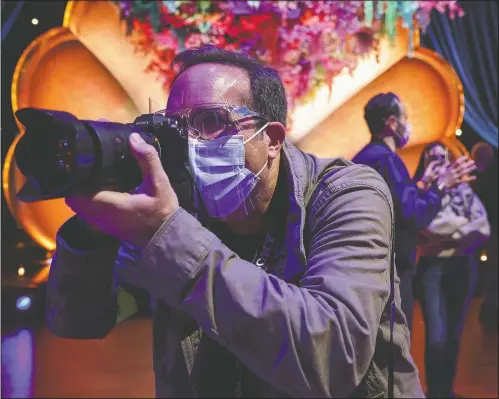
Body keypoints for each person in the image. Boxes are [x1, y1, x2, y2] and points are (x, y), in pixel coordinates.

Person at [46, 46, 425, 398]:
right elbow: (79, 321)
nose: (190, 144)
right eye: (175, 128)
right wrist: (93, 234)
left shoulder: (347, 192)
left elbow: (333, 359)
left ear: (272, 139)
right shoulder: (177, 207)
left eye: (210, 121)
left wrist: (171, 236)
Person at [352, 93, 476, 331]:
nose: (408, 124)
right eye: (405, 117)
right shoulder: (388, 160)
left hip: (370, 268)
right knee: (395, 347)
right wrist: (441, 187)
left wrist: (422, 183)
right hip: (391, 271)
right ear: (391, 122)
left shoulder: (367, 156)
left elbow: (396, 202)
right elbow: (412, 215)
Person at [417, 142, 491, 398]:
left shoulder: (463, 190)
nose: (439, 162)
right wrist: (461, 229)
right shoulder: (423, 192)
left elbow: (483, 227)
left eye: (442, 157)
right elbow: (428, 226)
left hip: (462, 266)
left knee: (453, 336)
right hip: (433, 268)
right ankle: (434, 393)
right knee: (436, 336)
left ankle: (445, 391)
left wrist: (446, 236)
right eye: (432, 158)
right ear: (425, 162)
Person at [471, 141, 498, 330]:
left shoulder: (475, 179)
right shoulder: (484, 178)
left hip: (483, 228)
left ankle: (488, 306)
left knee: (491, 268)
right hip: (485, 228)